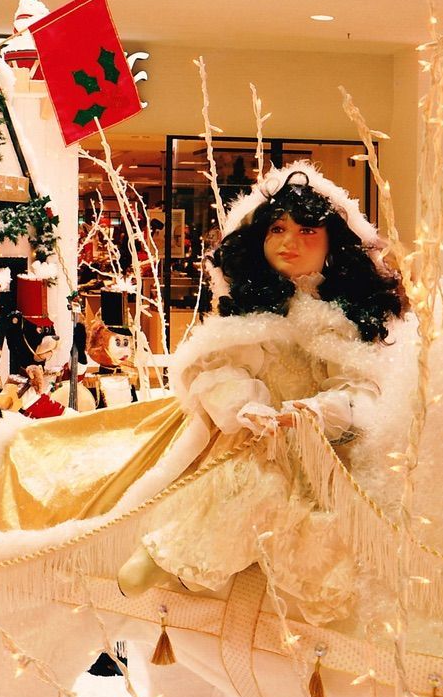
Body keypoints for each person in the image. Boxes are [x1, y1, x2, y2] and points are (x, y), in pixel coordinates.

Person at [116, 165, 408, 623]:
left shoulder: (345, 318)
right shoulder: (250, 314)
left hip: (323, 447)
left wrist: (320, 412)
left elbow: (364, 387)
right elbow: (217, 369)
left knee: (335, 515)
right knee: (252, 481)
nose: (288, 241)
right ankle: (173, 555)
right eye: (277, 229)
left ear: (334, 243)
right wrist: (245, 405)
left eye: (306, 230)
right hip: (255, 435)